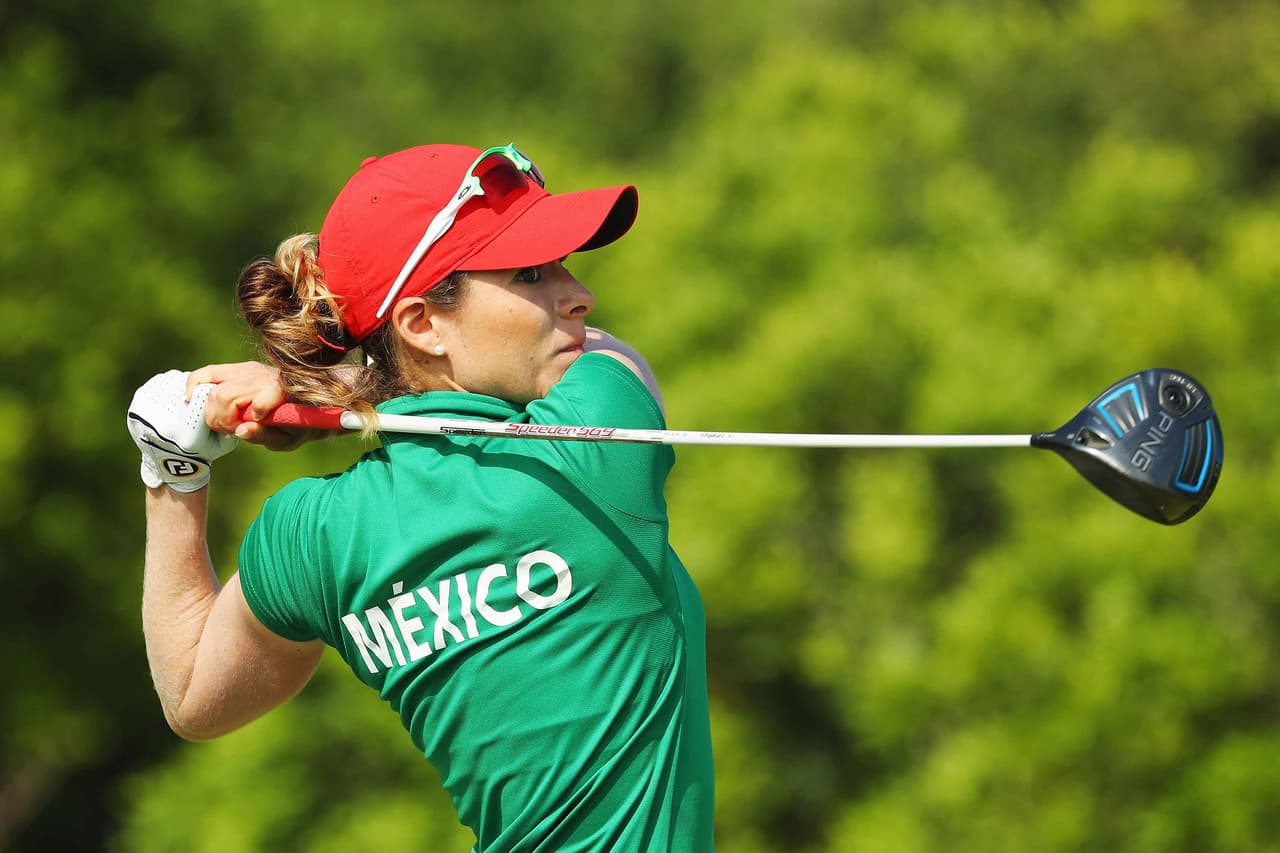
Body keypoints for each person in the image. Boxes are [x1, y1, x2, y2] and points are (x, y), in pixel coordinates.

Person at [126, 143, 714, 851]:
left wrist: (172, 467)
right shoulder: (590, 450)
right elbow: (614, 353)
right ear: (421, 324)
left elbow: (193, 695)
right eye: (532, 272)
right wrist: (335, 389)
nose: (577, 292)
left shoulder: (317, 532)